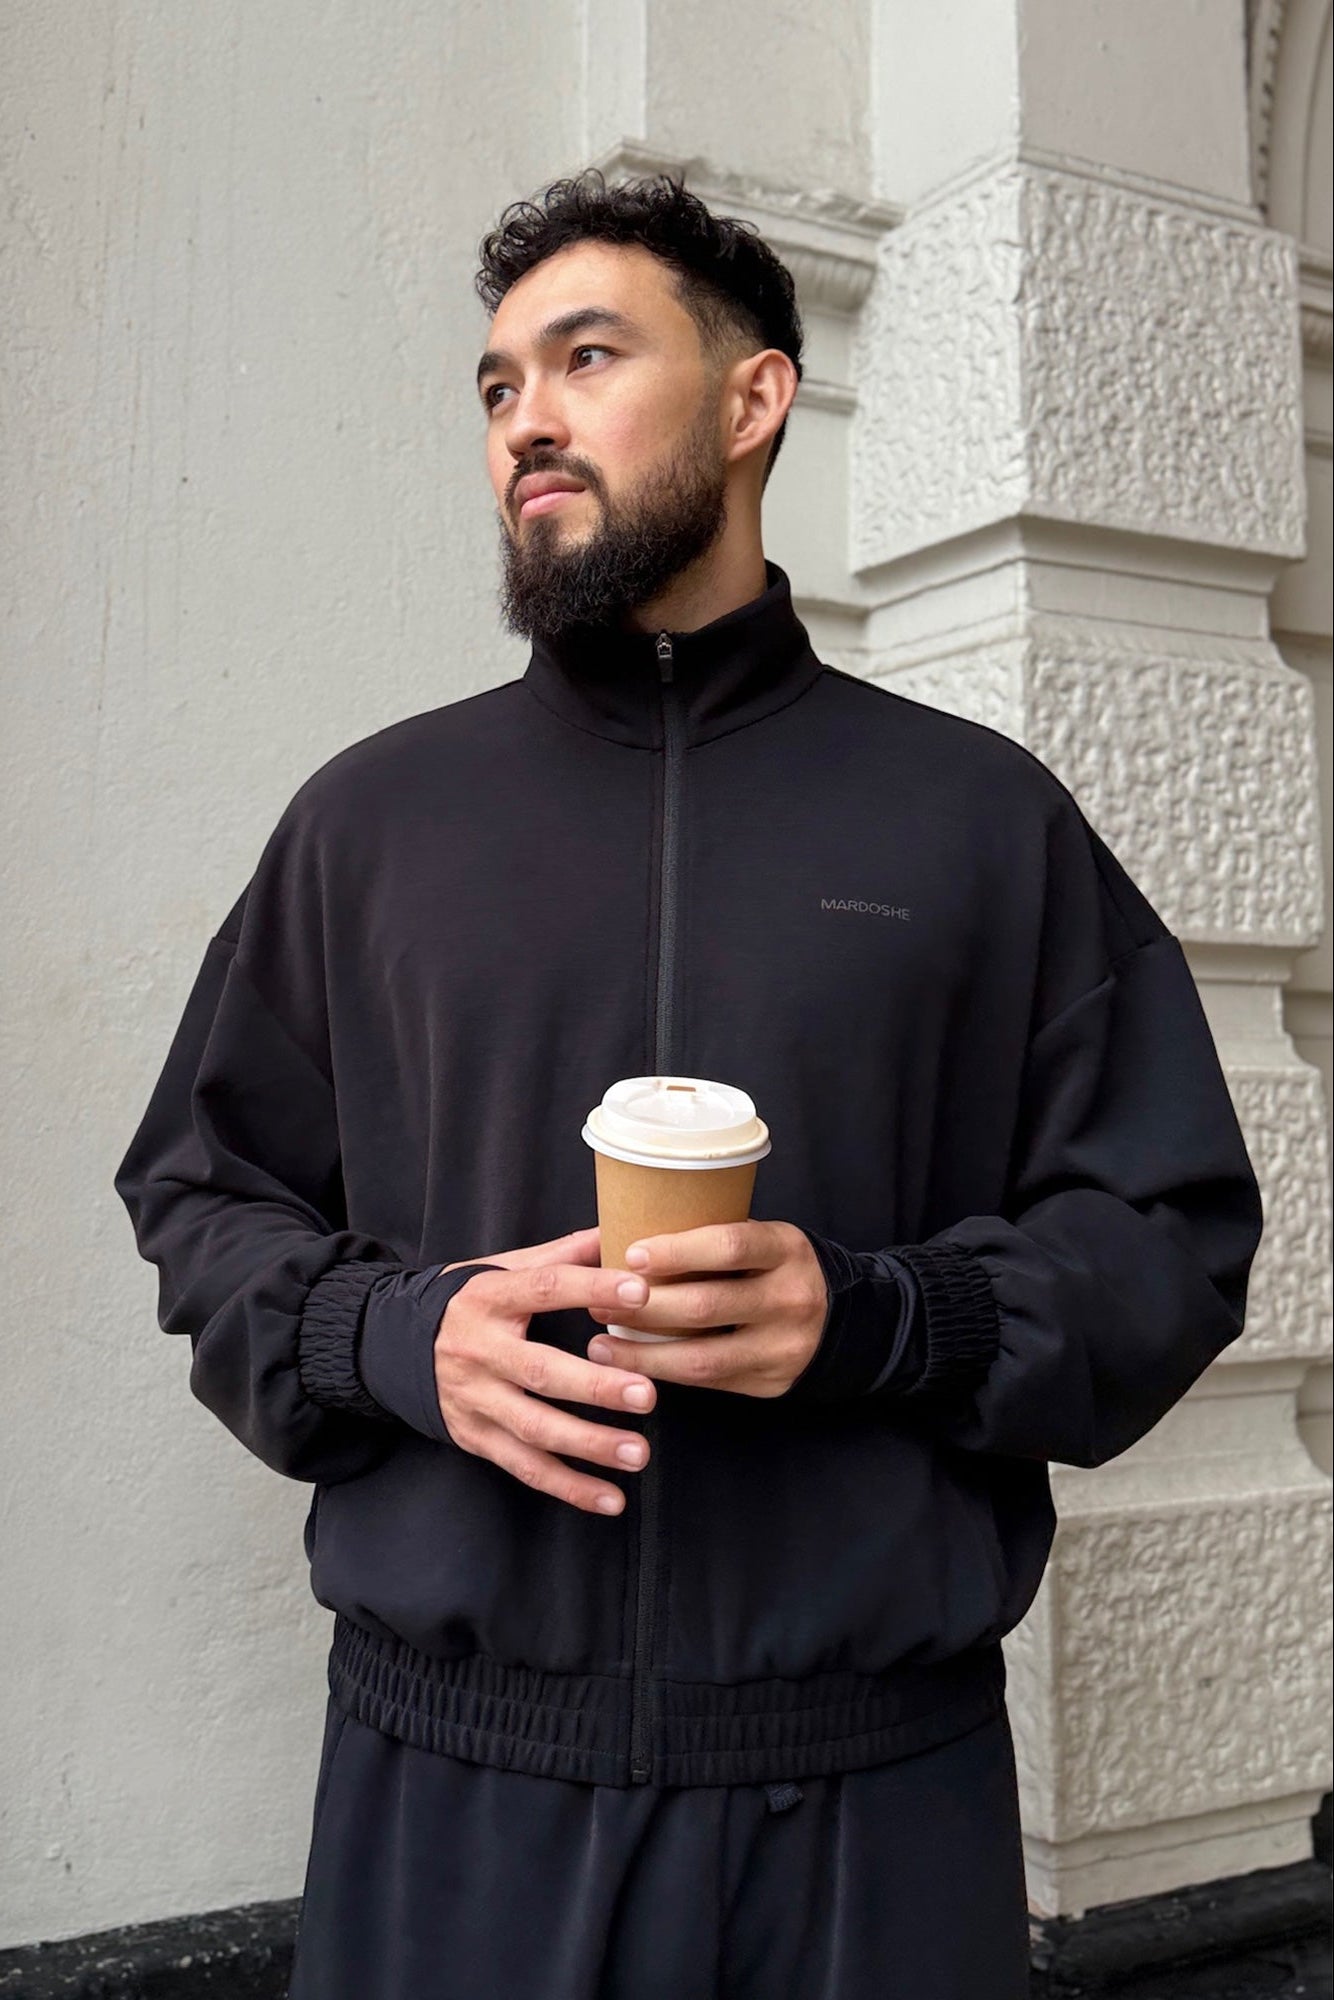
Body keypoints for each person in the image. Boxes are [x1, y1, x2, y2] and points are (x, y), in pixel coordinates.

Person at [114, 168, 1264, 1999]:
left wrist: (886, 1315)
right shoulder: (373, 823)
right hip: (454, 1797)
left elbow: (1166, 1238)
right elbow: (200, 1193)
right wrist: (389, 1340)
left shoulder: (975, 824)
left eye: (585, 357)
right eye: (497, 385)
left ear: (753, 400)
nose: (528, 423)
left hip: (864, 1810)